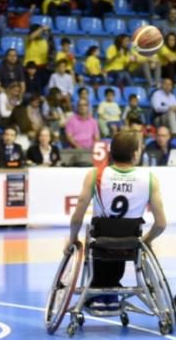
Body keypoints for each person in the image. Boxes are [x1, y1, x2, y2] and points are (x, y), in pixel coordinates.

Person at [65, 131, 167, 310]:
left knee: (101, 241)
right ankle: (110, 292)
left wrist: (72, 238)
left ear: (111, 152)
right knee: (120, 246)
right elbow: (160, 224)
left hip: (100, 240)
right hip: (131, 241)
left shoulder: (96, 175)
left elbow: (78, 216)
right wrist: (146, 241)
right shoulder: (150, 179)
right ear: (136, 153)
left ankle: (100, 293)